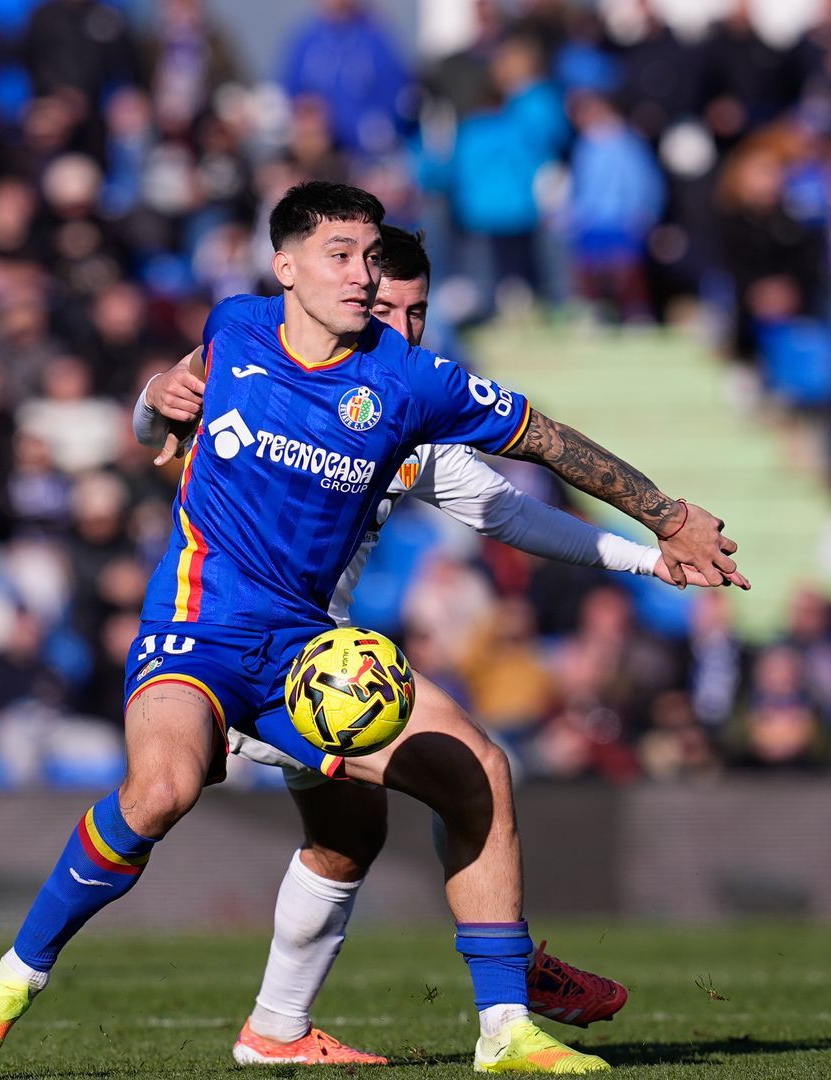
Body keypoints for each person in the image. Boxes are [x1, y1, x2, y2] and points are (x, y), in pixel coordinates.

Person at [0, 182, 744, 1075]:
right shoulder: (237, 327)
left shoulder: (409, 388)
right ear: (285, 268)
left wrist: (664, 522)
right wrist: (151, 399)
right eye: (345, 257)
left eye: (376, 261)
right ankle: (17, 975)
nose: (366, 278)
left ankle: (502, 1026)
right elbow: (168, 407)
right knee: (162, 789)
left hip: (314, 656)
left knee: (469, 773)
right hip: (197, 628)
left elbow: (538, 455)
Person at [135, 225, 671, 1064]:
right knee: (468, 774)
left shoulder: (404, 419)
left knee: (352, 834)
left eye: (417, 312)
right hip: (247, 649)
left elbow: (509, 514)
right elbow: (159, 422)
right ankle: (509, 984)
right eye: (387, 306)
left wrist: (650, 559)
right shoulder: (271, 364)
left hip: (327, 662)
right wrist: (153, 392)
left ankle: (277, 1030)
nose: (403, 327)